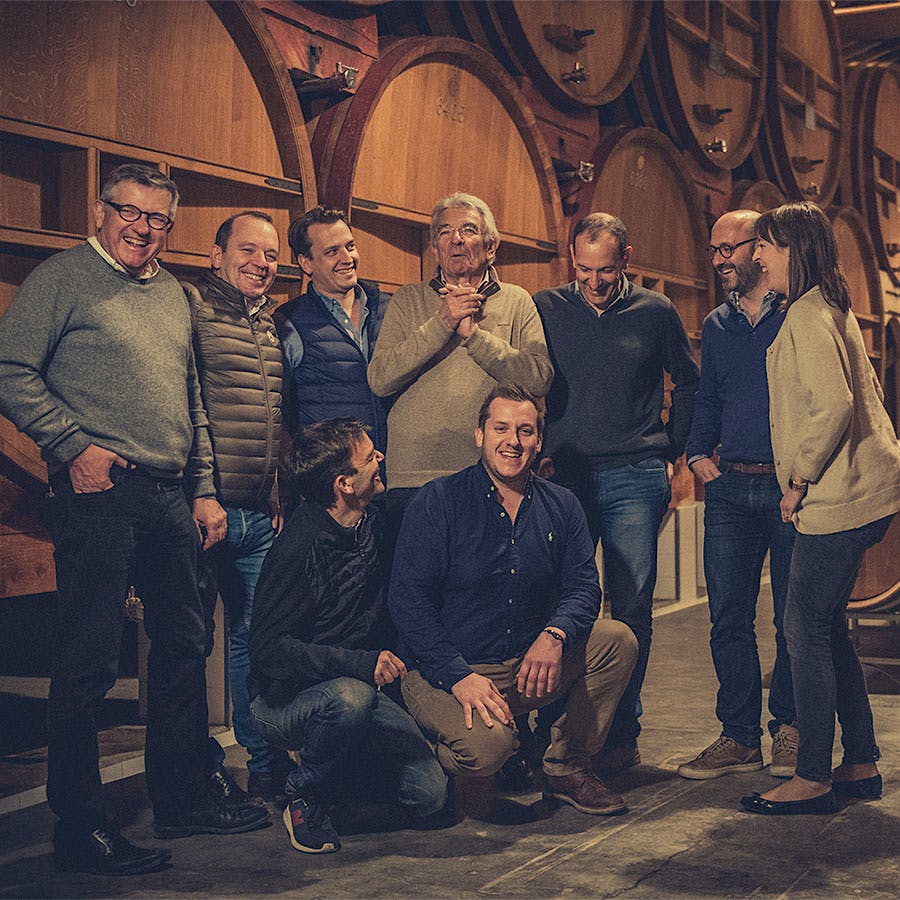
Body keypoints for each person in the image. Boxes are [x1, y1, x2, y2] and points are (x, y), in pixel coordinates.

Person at [0, 165, 268, 876]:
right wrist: (71, 446)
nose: (141, 227)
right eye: (128, 211)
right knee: (88, 662)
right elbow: (9, 368)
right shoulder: (63, 278)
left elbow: (194, 401)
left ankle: (180, 797)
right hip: (99, 492)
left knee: (183, 642)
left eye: (156, 218)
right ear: (100, 210)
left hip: (168, 494)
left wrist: (205, 490)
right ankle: (80, 827)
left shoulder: (174, 296)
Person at [390, 384, 638, 816]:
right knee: (487, 754)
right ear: (479, 435)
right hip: (448, 670)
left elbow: (584, 586)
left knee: (617, 640)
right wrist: (457, 675)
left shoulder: (561, 504)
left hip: (525, 666)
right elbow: (408, 603)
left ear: (539, 440)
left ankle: (564, 767)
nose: (513, 441)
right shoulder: (439, 501)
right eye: (501, 427)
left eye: (525, 431)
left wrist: (554, 636)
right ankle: (431, 746)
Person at [740, 201, 900, 815]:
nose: (758, 255)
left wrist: (798, 480)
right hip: (865, 492)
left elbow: (833, 407)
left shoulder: (808, 314)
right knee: (828, 628)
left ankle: (811, 775)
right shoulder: (831, 305)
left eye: (769, 246)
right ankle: (859, 761)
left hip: (837, 499)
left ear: (794, 250)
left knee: (801, 628)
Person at [534, 213, 699, 773]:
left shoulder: (655, 311)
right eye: (583, 269)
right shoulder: (548, 306)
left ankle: (619, 733)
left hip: (635, 474)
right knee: (560, 604)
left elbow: (689, 380)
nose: (594, 282)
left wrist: (671, 452)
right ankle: (559, 734)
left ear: (626, 260)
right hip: (566, 478)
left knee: (631, 608)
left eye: (605, 270)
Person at [248, 419, 448, 853]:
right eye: (370, 457)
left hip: (363, 690)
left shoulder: (373, 521)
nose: (380, 459)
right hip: (289, 701)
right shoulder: (297, 547)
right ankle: (304, 795)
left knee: (429, 797)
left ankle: (339, 774)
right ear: (344, 483)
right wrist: (359, 664)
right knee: (349, 700)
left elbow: (427, 501)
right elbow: (267, 651)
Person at [678, 210, 798, 781]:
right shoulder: (719, 324)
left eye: (732, 247)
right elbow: (709, 397)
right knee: (728, 617)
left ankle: (791, 730)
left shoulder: (797, 314)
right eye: (716, 249)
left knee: (792, 619)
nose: (722, 258)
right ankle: (739, 736)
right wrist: (697, 452)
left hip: (790, 487)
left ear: (761, 248)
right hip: (730, 487)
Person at [367, 192, 553, 549]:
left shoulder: (517, 301)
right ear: (435, 246)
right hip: (413, 477)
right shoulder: (409, 300)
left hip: (490, 476)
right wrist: (443, 322)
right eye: (444, 232)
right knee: (414, 594)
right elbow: (380, 378)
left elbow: (539, 377)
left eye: (468, 230)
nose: (456, 239)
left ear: (491, 244)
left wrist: (475, 338)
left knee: (482, 596)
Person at [183, 211, 294, 802]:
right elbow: (190, 402)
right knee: (192, 642)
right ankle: (196, 766)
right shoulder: (195, 309)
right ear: (216, 255)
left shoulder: (268, 323)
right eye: (248, 251)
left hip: (256, 510)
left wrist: (275, 486)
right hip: (205, 510)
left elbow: (271, 416)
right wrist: (201, 492)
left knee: (257, 637)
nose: (261, 263)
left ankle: (263, 760)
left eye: (271, 254)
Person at [276, 206, 388, 454]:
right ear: (306, 263)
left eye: (350, 246)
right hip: (332, 478)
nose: (347, 258)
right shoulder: (289, 321)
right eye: (331, 252)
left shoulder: (389, 308)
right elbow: (284, 410)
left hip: (392, 473)